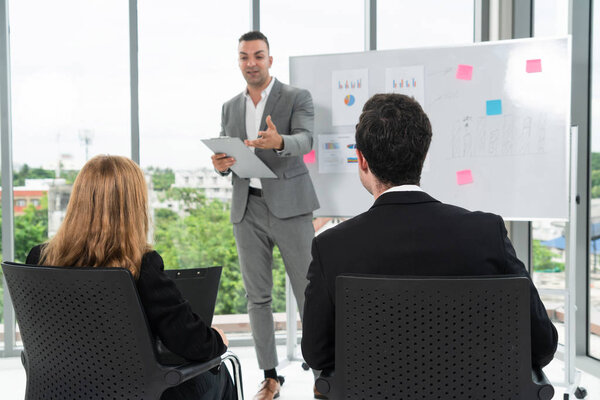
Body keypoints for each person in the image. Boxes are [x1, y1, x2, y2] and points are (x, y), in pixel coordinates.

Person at [301, 93, 558, 372]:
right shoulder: (486, 233)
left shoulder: (331, 247)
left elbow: (318, 355)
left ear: (361, 160)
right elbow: (542, 345)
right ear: (423, 154)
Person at [26, 155, 234, 400]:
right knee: (219, 372)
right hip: (133, 392)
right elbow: (193, 345)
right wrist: (217, 339)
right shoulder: (141, 266)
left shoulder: (38, 259)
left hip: (61, 390)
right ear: (134, 206)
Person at [211, 31, 320, 400]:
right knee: (256, 297)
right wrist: (221, 164)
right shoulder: (229, 107)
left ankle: (323, 371)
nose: (251, 63)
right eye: (244, 57)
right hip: (247, 207)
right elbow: (229, 158)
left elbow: (307, 139)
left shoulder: (295, 97)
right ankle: (271, 377)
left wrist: (281, 142)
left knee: (309, 292)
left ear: (270, 60)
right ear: (238, 61)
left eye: (258, 55)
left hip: (291, 207)